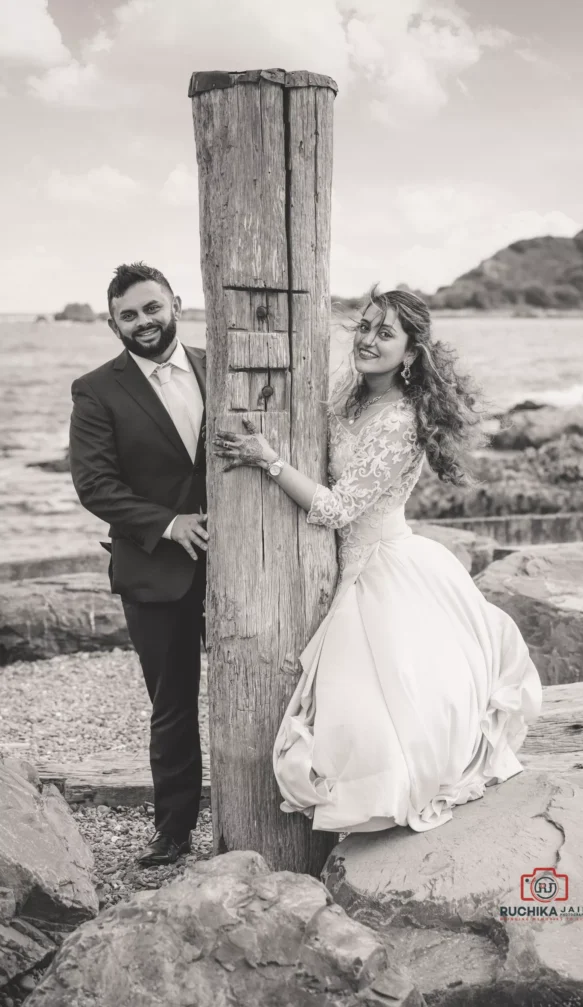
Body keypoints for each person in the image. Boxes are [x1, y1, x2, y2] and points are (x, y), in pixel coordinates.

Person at [213, 287, 542, 834]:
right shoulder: (351, 394)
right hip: (347, 566)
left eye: (384, 333)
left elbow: (339, 509)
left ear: (410, 353)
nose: (367, 340)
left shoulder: (400, 421)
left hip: (382, 568)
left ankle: (383, 800)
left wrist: (269, 462)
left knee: (380, 707)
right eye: (364, 327)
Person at [69, 263, 208, 865]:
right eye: (128, 315)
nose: (143, 322)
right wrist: (170, 524)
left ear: (175, 303)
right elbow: (95, 485)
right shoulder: (96, 389)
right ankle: (174, 833)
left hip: (248, 562)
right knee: (173, 703)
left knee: (274, 687)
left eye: (152, 309)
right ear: (112, 323)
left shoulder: (218, 363)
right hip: (155, 568)